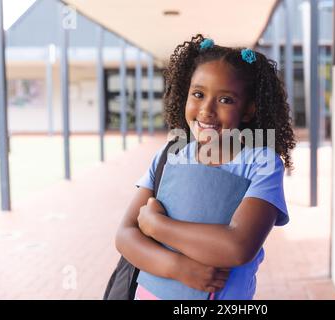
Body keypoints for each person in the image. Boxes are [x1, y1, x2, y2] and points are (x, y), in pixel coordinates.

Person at [115, 34, 296, 300]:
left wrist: (156, 225)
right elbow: (125, 236)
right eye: (198, 94)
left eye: (226, 100)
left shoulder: (261, 164)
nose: (207, 110)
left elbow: (238, 246)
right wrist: (178, 268)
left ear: (248, 110)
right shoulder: (171, 154)